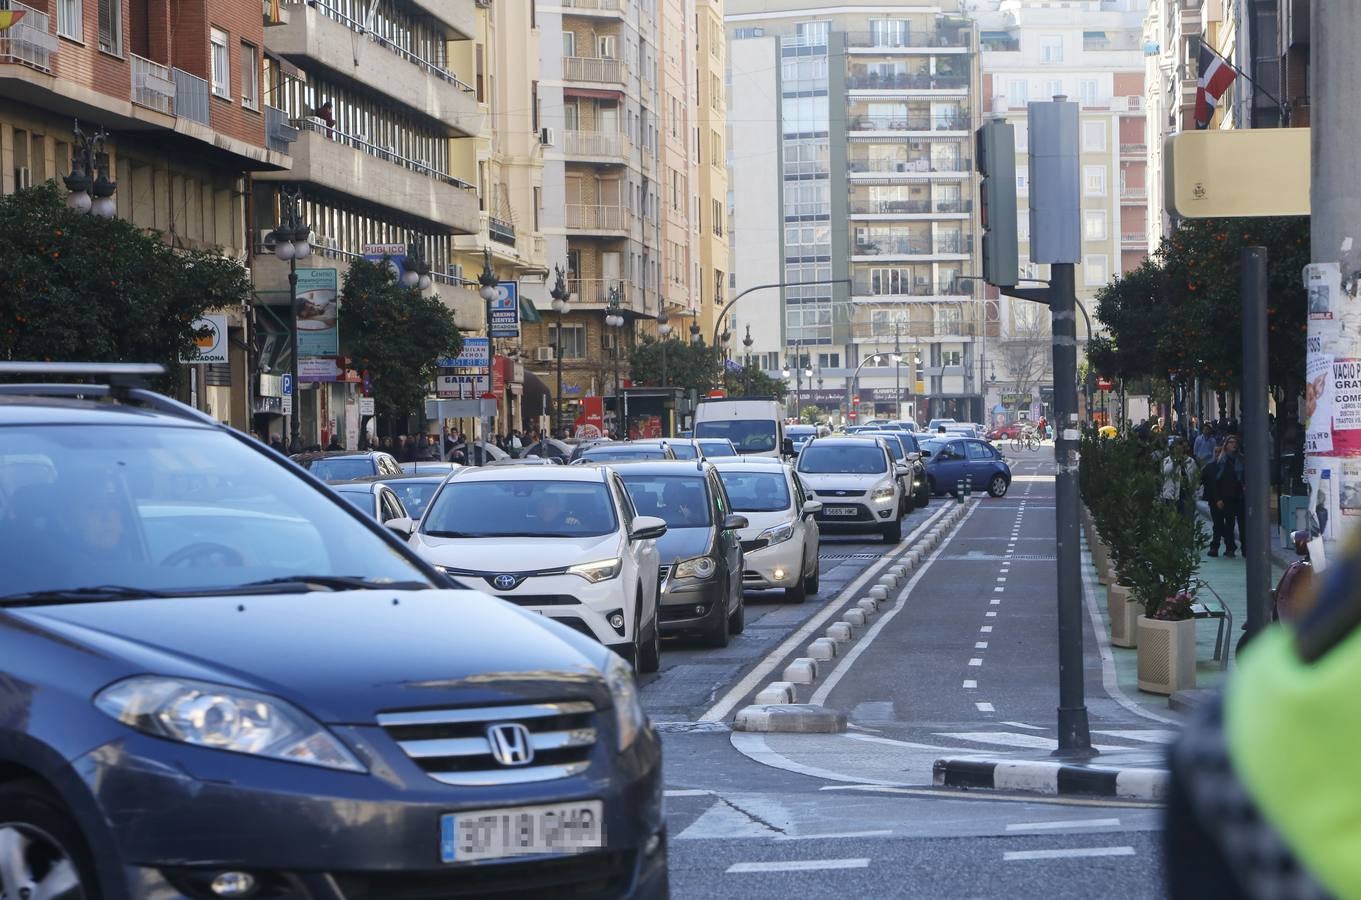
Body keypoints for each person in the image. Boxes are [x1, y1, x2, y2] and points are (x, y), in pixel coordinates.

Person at [1210, 435, 1246, 558]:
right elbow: (1216, 482)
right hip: (1227, 496)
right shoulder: (1221, 461)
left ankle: (1245, 549)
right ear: (1226, 445)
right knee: (1229, 524)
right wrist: (1218, 498)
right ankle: (1230, 548)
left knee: (1243, 525)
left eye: (1235, 442)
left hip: (1240, 496)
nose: (1233, 444)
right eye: (1231, 442)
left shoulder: (1242, 459)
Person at [1161, 438, 1200, 520]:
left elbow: (1195, 479)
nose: (1178, 450)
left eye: (1180, 448)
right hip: (1170, 497)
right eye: (1176, 448)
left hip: (1186, 497)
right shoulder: (1166, 461)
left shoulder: (1191, 461)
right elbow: (1164, 474)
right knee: (1171, 521)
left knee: (1186, 521)